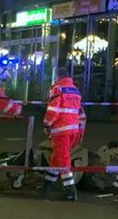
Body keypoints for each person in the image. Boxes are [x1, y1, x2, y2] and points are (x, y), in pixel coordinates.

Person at [41, 67, 84, 201]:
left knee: (63, 159)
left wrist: (46, 123)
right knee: (57, 157)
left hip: (61, 129)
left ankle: (70, 190)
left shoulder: (58, 89)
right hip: (73, 129)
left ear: (58, 77)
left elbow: (53, 110)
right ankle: (48, 184)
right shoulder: (75, 90)